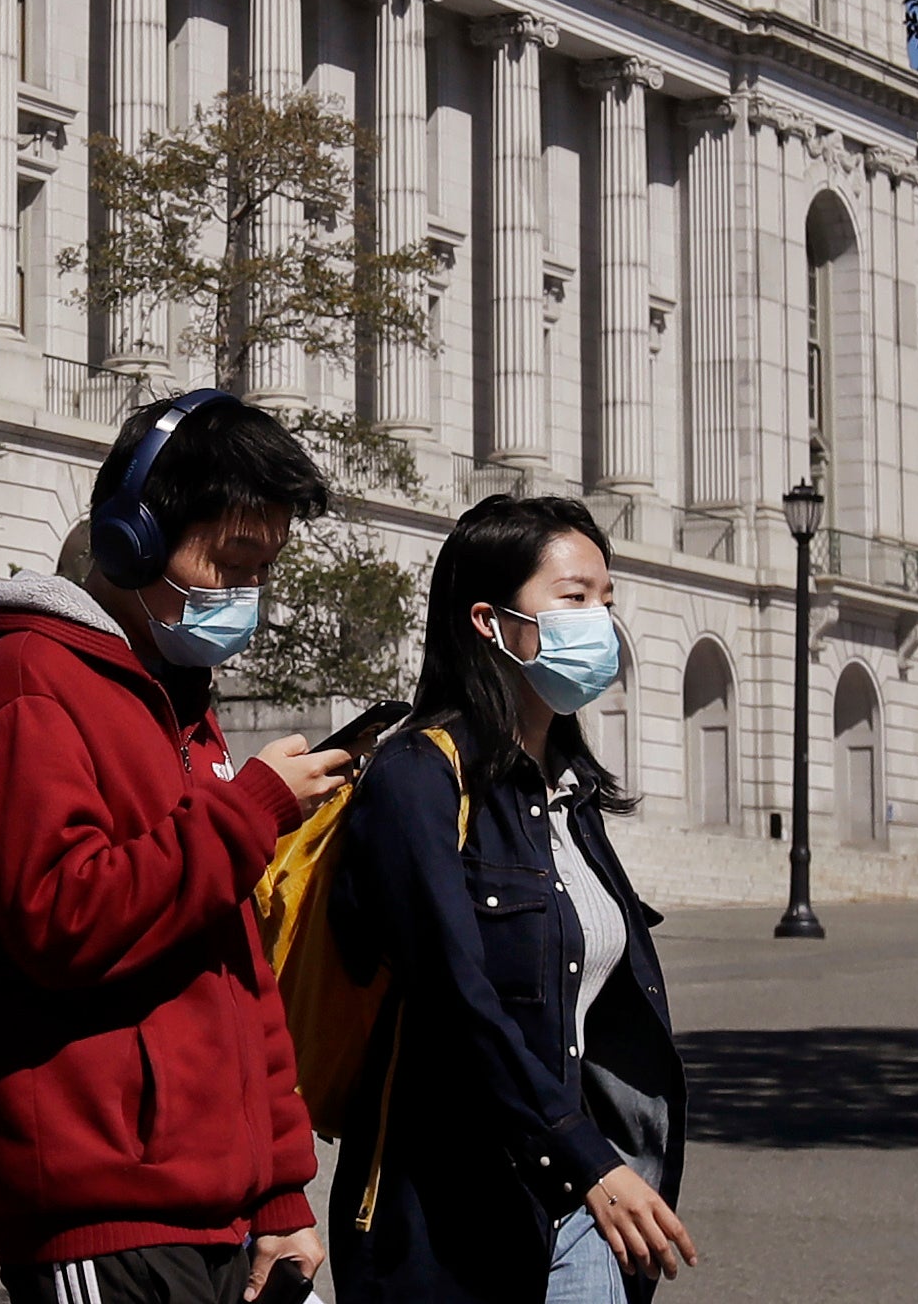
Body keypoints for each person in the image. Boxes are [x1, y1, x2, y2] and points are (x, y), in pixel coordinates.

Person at [0, 390, 353, 1304]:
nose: (242, 596)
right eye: (230, 562)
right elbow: (61, 917)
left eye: (262, 572)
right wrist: (249, 815)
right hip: (101, 1209)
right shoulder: (27, 683)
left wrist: (283, 1192)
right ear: (132, 537)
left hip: (221, 1211)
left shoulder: (179, 704)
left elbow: (240, 975)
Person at [329, 492, 694, 1304]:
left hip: (584, 1206)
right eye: (573, 599)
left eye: (606, 600)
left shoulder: (568, 794)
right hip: (455, 1216)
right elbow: (456, 1002)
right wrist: (583, 1157)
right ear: (491, 623)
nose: (601, 621)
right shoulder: (416, 779)